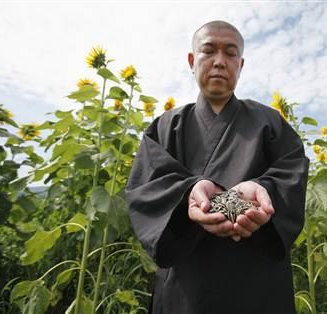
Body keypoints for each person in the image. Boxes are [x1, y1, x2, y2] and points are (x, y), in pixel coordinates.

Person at [126, 20, 309, 314]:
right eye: (208, 51)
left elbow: (293, 174)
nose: (219, 62)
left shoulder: (270, 123)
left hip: (257, 283)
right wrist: (189, 192)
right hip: (186, 284)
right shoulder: (165, 127)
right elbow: (146, 187)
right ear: (191, 60)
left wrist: (261, 189)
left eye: (230, 53)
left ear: (241, 63)